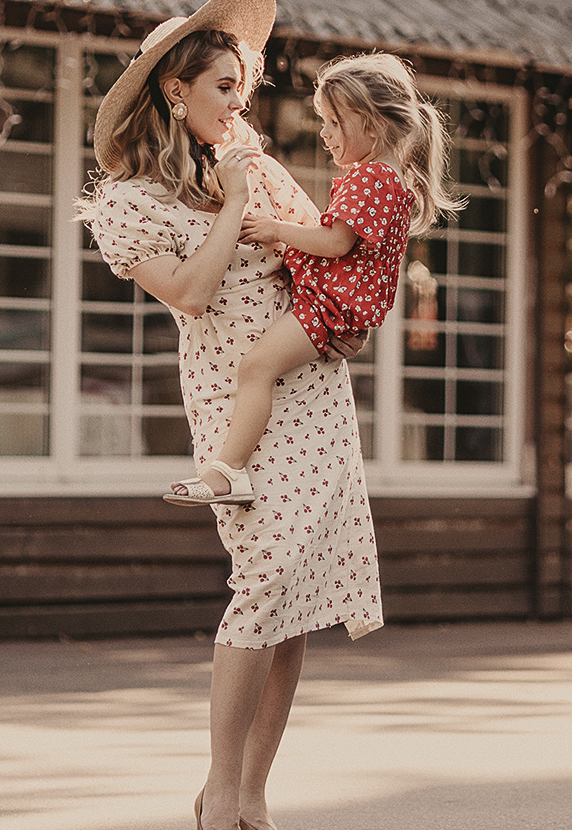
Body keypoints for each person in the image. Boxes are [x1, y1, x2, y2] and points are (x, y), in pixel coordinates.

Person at [79, 0, 382, 830]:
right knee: (262, 579)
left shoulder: (248, 157)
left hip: (311, 382)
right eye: (222, 87)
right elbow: (194, 291)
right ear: (177, 93)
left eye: (242, 88)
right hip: (233, 397)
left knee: (296, 596)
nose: (237, 104)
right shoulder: (128, 203)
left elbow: (318, 240)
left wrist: (350, 294)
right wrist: (232, 200)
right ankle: (218, 788)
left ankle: (253, 796)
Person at [161, 50, 462, 507]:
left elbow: (336, 242)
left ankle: (228, 471)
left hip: (327, 307)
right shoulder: (388, 176)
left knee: (256, 366)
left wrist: (275, 230)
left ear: (372, 125)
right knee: (260, 368)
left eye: (335, 123)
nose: (324, 134)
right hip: (334, 306)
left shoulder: (372, 178)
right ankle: (230, 470)